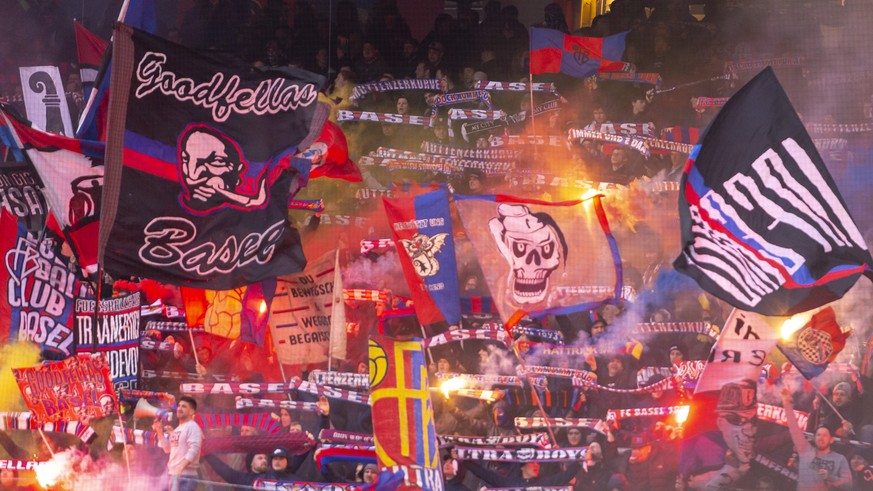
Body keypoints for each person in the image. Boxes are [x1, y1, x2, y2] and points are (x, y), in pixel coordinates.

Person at [782, 386, 852, 491]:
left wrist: (830, 477)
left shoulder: (839, 459)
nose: (820, 438)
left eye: (824, 435)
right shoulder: (804, 450)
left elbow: (849, 485)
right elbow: (794, 428)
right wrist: (786, 403)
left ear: (831, 440)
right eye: (818, 435)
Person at [154, 396, 203, 491]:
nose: (179, 408)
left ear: (192, 412)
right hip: (173, 475)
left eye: (184, 406)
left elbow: (194, 449)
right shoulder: (177, 429)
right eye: (179, 406)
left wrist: (180, 468)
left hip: (186, 477)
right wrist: (159, 431)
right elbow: (167, 449)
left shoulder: (193, 427)